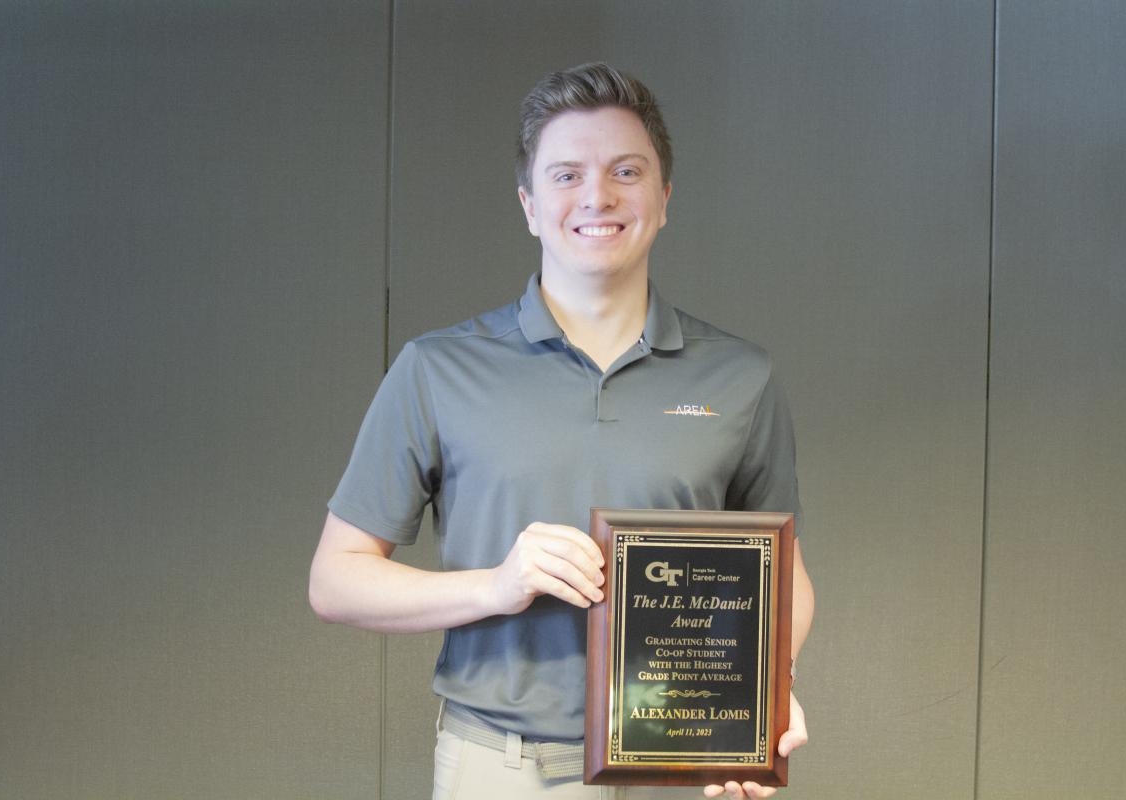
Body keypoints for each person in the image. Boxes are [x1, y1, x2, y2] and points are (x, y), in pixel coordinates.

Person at [309, 62, 814, 800]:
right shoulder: (437, 368)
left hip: (678, 772)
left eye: (626, 171)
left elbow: (786, 578)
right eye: (567, 174)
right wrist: (496, 586)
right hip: (500, 768)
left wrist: (765, 698)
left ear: (664, 198)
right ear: (530, 205)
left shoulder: (741, 378)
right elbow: (336, 579)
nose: (597, 196)